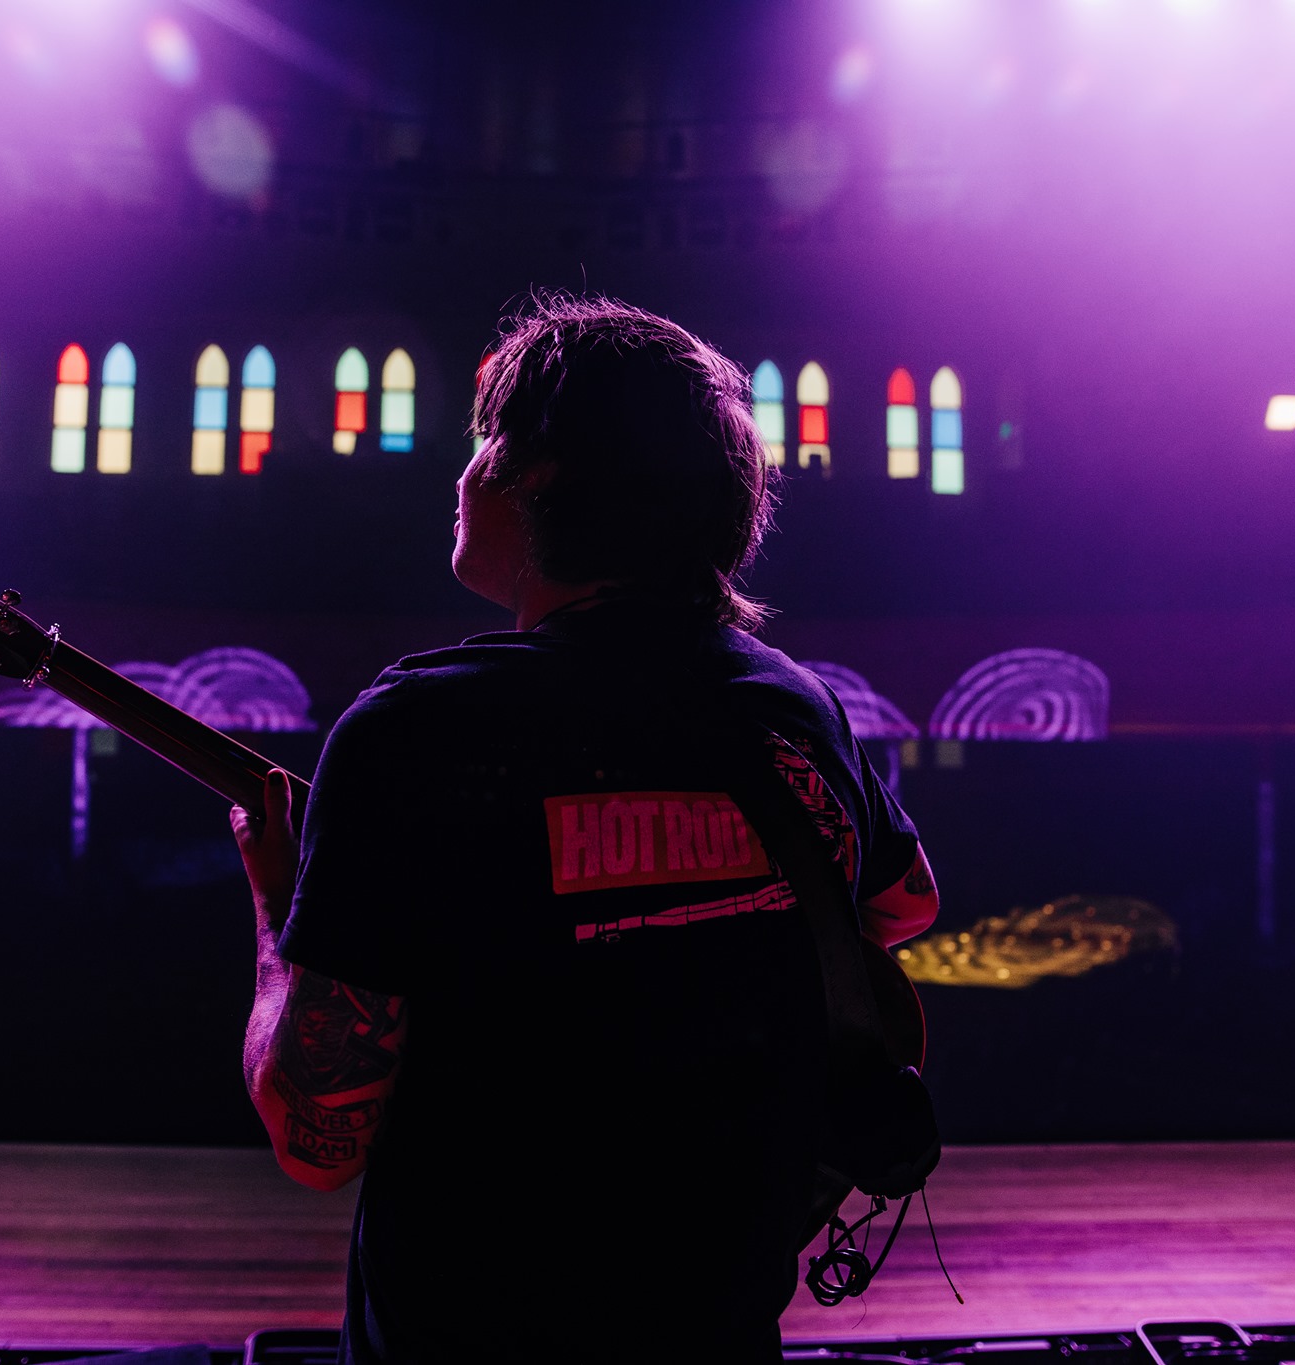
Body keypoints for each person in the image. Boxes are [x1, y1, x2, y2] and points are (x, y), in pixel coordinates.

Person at [232, 295, 940, 1364]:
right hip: (720, 1334)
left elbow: (318, 1135)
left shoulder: (416, 727)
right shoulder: (794, 709)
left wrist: (283, 920)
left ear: (542, 474)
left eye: (486, 439)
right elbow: (903, 902)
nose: (464, 471)